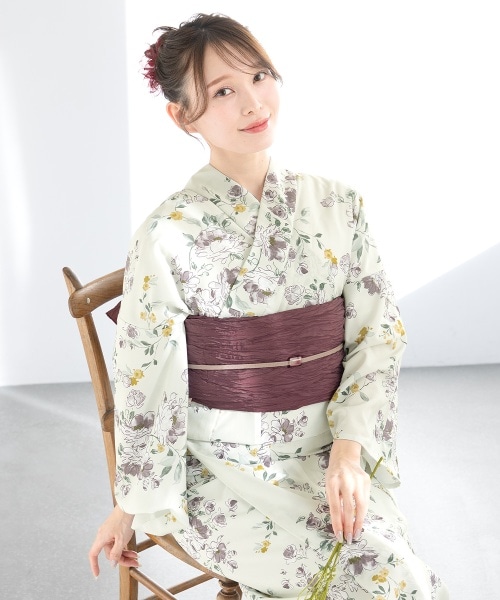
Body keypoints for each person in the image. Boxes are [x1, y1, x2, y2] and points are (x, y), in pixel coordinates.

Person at [89, 13, 448, 600]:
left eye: (259, 76)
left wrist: (350, 451)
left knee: (387, 565)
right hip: (218, 472)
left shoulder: (340, 205)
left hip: (329, 453)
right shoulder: (167, 234)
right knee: (379, 577)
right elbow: (148, 379)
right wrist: (129, 505)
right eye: (222, 92)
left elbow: (377, 336)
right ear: (182, 116)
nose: (253, 102)